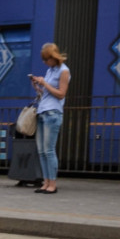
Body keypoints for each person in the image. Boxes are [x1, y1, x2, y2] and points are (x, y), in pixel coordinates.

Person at [29, 42, 70, 194]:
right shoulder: (50, 70)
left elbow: (61, 94)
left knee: (49, 150)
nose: (45, 62)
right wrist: (38, 86)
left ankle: (52, 184)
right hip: (42, 110)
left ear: (53, 57)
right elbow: (47, 93)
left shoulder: (64, 71)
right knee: (42, 151)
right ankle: (45, 182)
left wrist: (45, 83)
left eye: (47, 59)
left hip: (53, 113)